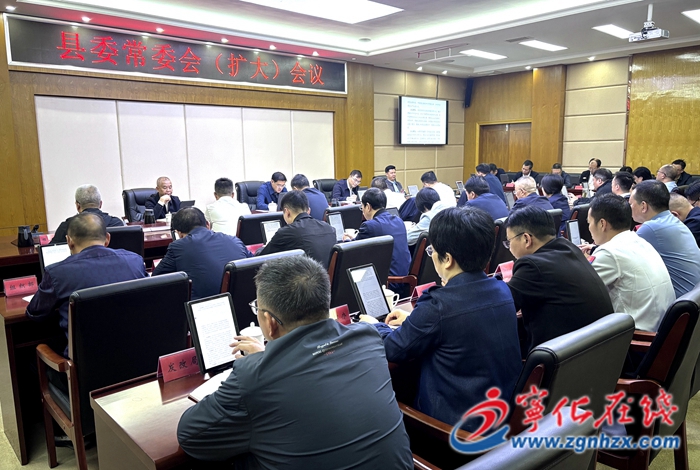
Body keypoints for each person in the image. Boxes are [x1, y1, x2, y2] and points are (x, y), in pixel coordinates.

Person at [177, 256, 413, 469]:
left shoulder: (254, 376)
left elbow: (190, 436)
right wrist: (268, 357)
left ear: (270, 322)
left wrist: (261, 363)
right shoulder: (368, 337)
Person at [363, 207, 521, 430]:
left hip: (449, 431)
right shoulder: (502, 290)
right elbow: (458, 324)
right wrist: (413, 319)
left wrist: (375, 325)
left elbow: (393, 348)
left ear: (447, 259)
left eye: (432, 251)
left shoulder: (438, 305)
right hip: (501, 417)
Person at [26, 212, 147, 357]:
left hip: (86, 365)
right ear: (107, 239)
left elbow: (34, 312)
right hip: (137, 355)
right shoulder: (135, 261)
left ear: (69, 241)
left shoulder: (57, 272)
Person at [506, 206, 613, 353]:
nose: (509, 248)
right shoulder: (570, 248)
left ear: (526, 239)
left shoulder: (532, 266)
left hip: (565, 359)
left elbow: (502, 307)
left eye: (509, 242)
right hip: (598, 353)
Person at [583, 194, 674, 332]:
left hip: (636, 338)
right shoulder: (639, 241)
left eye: (589, 223)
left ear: (602, 224)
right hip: (659, 329)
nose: (589, 228)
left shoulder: (609, 252)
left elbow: (578, 291)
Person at [153, 207, 252, 299]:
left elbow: (155, 280)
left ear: (179, 233)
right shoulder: (235, 240)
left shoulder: (177, 247)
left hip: (203, 307)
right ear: (208, 225)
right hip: (245, 303)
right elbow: (253, 265)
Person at [630, 180, 700, 298]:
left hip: (677, 301)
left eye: (631, 204)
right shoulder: (673, 220)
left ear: (643, 206)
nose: (629, 208)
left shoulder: (651, 228)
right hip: (693, 297)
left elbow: (621, 258)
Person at [345, 188, 411, 295]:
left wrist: (347, 240)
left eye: (362, 208)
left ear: (368, 207)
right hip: (406, 280)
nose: (363, 211)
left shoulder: (369, 226)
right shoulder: (398, 221)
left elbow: (352, 250)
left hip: (388, 283)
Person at [258, 190, 337, 268]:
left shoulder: (286, 232)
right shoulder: (330, 229)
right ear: (308, 211)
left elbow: (260, 260)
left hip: (305, 276)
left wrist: (261, 249)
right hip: (326, 276)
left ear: (287, 212)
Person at [51, 184, 124, 245]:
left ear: (78, 206)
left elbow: (51, 251)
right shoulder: (117, 224)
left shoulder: (66, 227)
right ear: (100, 204)